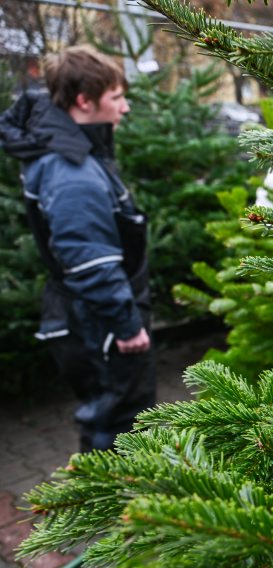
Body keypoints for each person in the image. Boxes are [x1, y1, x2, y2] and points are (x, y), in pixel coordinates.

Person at [0, 45, 155, 452]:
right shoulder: (71, 173)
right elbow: (88, 258)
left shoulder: (77, 152)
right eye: (116, 97)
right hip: (99, 322)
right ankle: (116, 506)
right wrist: (126, 325)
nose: (125, 107)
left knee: (117, 413)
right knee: (119, 420)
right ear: (84, 101)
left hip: (93, 316)